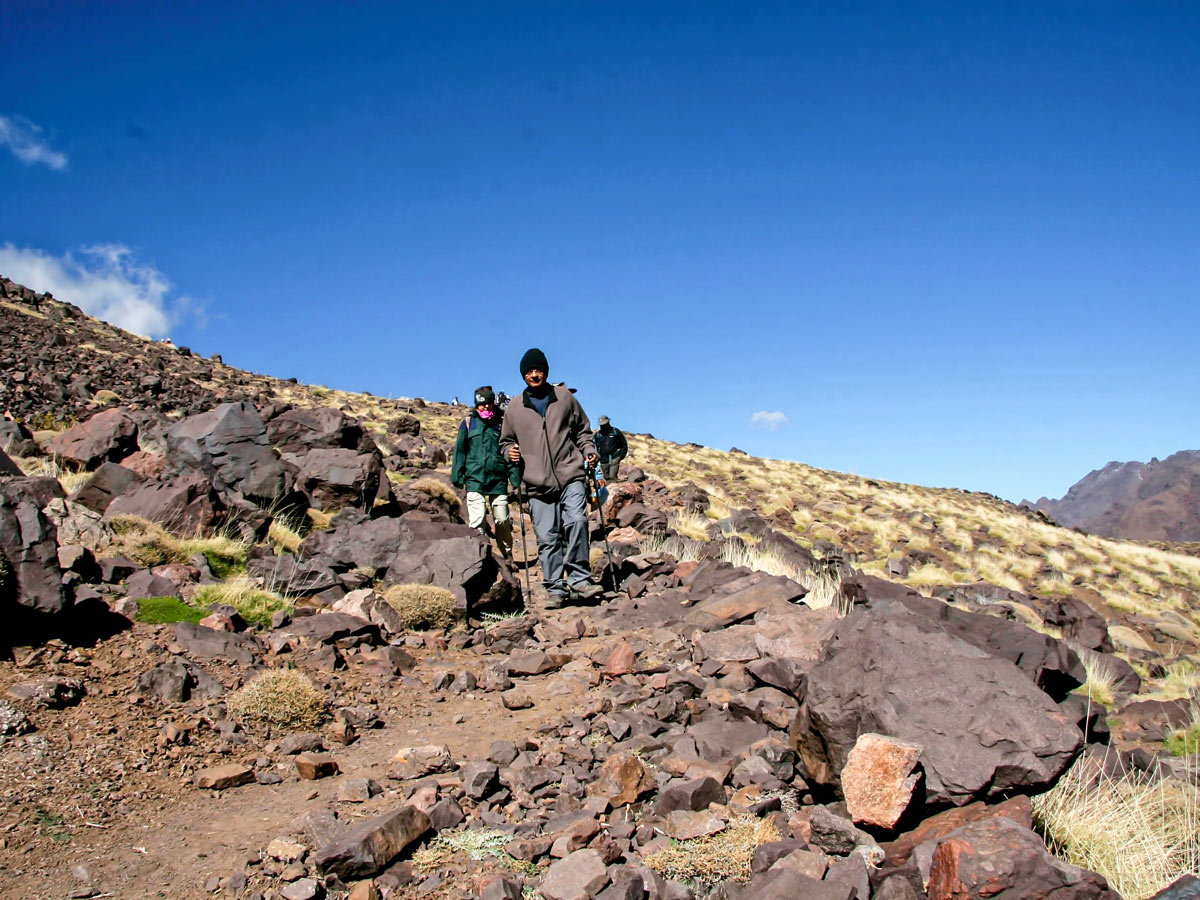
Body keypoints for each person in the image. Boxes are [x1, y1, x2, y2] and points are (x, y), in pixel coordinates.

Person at [500, 348, 601, 608]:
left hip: (570, 473)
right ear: (523, 375)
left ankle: (580, 580)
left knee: (577, 521)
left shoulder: (565, 398)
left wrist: (589, 451)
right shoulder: (513, 407)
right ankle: (556, 589)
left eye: (538, 370)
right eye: (529, 372)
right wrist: (507, 451)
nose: (534, 375)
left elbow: (583, 431)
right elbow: (506, 441)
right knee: (547, 537)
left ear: (546, 371)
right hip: (536, 482)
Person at [450, 386, 513, 559]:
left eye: (488, 403)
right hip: (474, 477)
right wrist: (457, 474)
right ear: (476, 404)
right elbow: (460, 450)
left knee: (502, 520)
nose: (485, 407)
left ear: (493, 403)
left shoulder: (501, 423)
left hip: (498, 478)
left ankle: (507, 556)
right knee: (477, 521)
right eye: (481, 404)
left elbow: (509, 450)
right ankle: (480, 557)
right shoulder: (469, 423)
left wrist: (514, 477)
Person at [595, 416, 628, 483]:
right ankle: (608, 491)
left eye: (604, 424)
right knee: (606, 478)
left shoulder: (615, 432)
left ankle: (614, 491)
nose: (603, 426)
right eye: (601, 425)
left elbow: (624, 445)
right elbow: (594, 446)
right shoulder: (598, 435)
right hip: (603, 460)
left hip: (614, 458)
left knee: (613, 477)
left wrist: (620, 456)